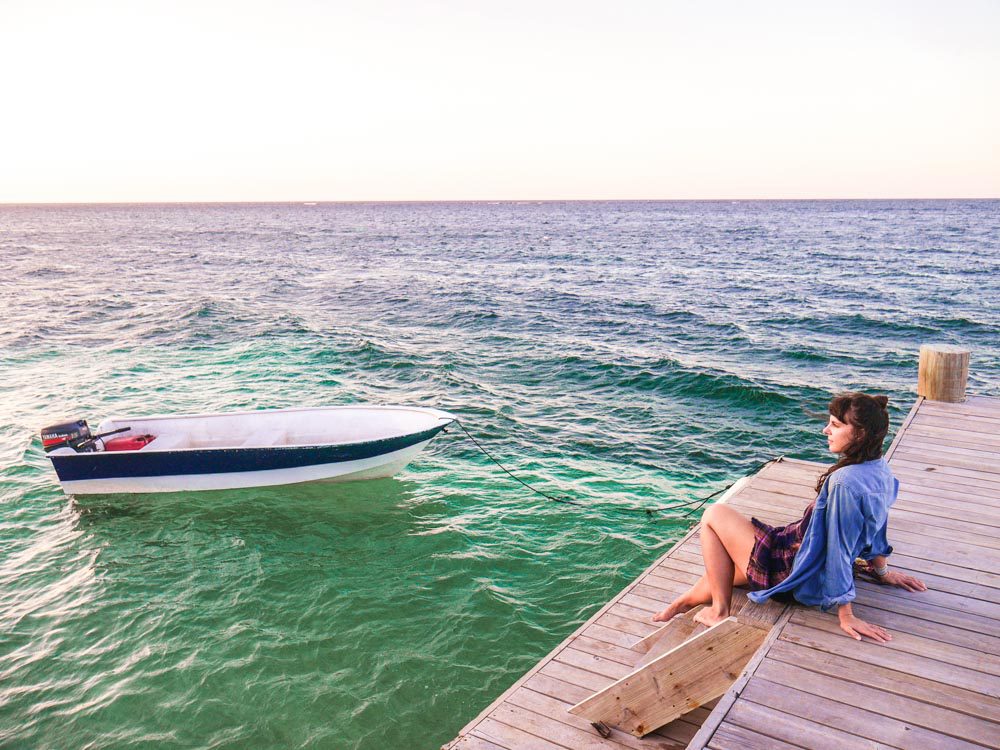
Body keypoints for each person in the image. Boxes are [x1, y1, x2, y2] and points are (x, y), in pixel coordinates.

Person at [652, 392, 927, 643]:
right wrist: (882, 572)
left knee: (713, 514)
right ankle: (684, 602)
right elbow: (875, 529)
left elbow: (840, 549)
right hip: (800, 552)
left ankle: (719, 611)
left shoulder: (844, 482)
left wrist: (846, 613)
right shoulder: (880, 470)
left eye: (835, 425)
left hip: (795, 571)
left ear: (861, 433)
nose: (826, 430)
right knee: (727, 567)